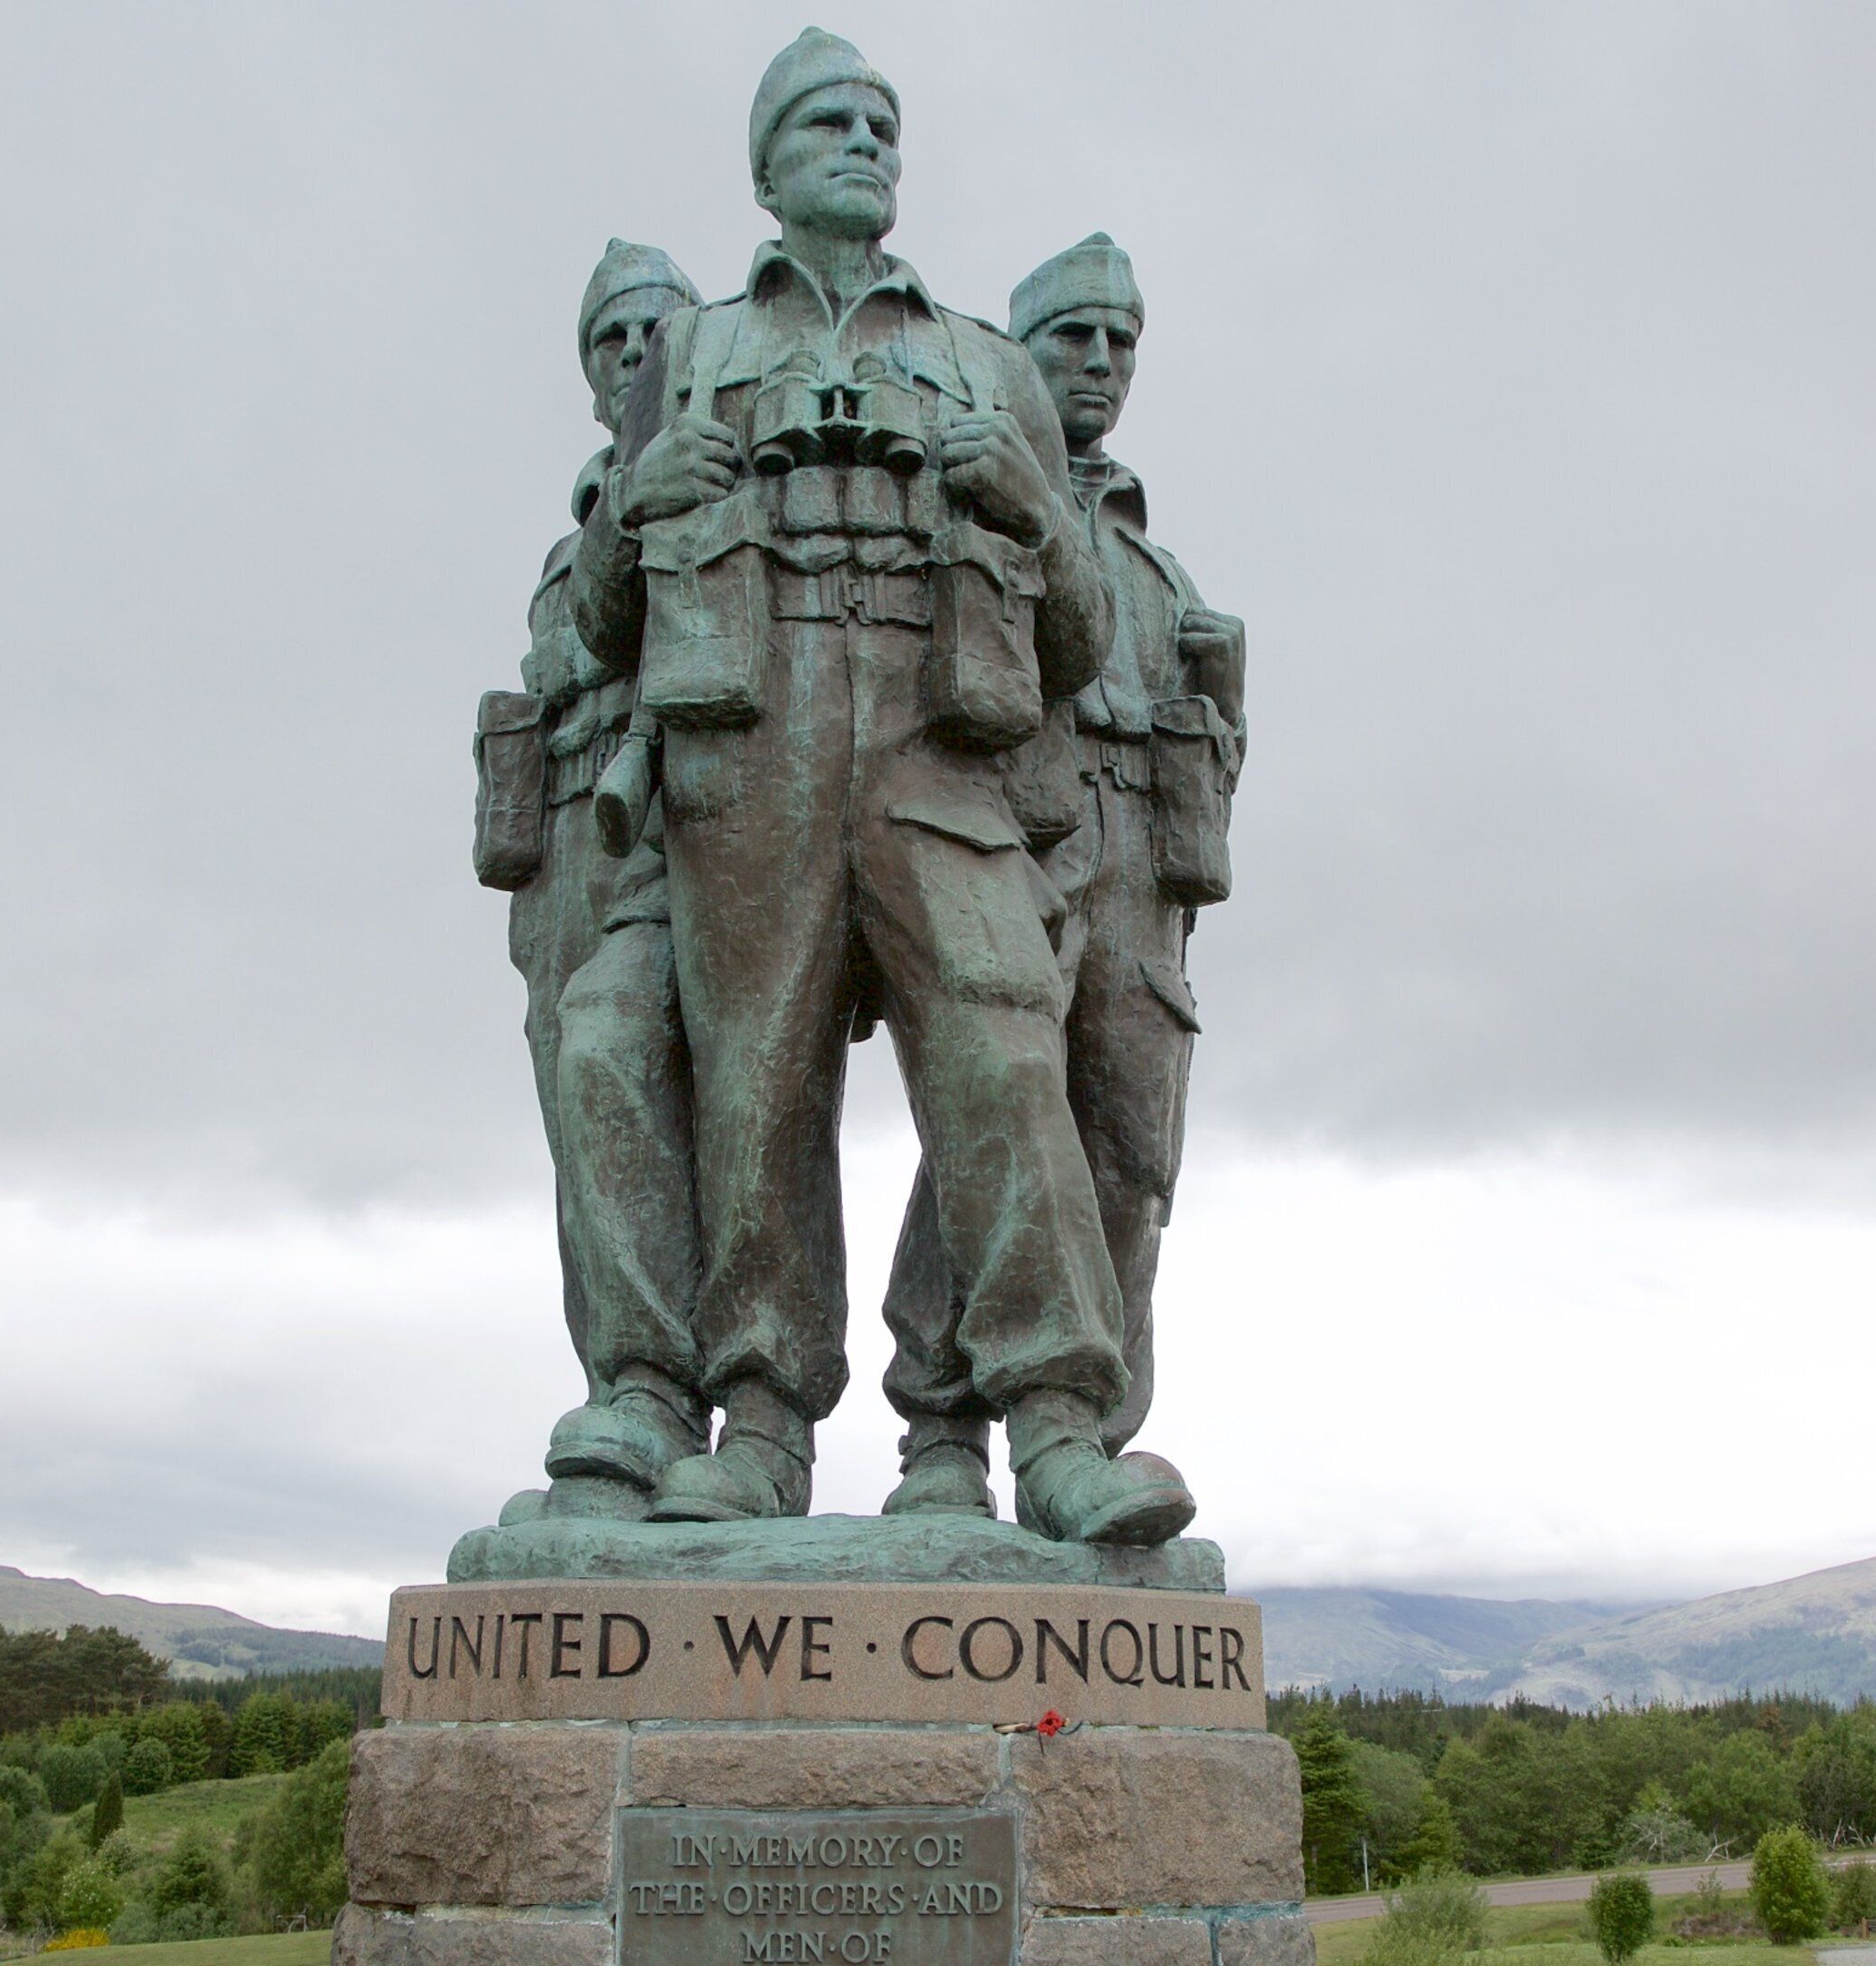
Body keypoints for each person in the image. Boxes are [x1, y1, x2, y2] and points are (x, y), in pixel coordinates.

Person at [566, 29, 1192, 1545]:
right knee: (755, 1090)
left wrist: (1033, 507)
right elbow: (601, 623)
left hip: (939, 760)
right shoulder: (691, 352)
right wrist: (630, 515)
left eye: (882, 125)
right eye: (828, 123)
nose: (863, 144)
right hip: (747, 760)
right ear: (766, 168)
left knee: (1005, 1059)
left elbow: (1077, 642)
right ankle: (763, 1427)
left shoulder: (987, 363)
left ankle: (1056, 1427)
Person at [877, 234, 1246, 1527]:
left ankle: (1088, 1437)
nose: (1099, 362)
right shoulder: (967, 497)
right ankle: (943, 1429)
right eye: (1071, 337)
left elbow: (1216, 756)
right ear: (1018, 357)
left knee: (1133, 1157)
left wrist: (1224, 699)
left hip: (1144, 873)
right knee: (992, 1121)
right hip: (1016, 840)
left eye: (1120, 340)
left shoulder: (1157, 568)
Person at [474, 241, 711, 1521]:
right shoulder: (575, 532)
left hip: (675, 824)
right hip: (563, 840)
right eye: (609, 337)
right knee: (584, 1128)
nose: (632, 352)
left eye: (653, 328)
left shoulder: (712, 473)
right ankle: (625, 1405)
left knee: (641, 1073)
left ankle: (669, 1387)